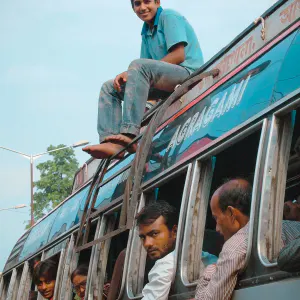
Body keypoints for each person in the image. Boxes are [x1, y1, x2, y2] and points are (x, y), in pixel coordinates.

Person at [83, 0, 204, 159]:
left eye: (147, 2)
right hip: (163, 81)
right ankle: (111, 142)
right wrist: (129, 74)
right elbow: (143, 71)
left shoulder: (168, 16)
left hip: (187, 74)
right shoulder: (146, 31)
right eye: (137, 4)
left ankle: (129, 133)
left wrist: (132, 71)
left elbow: (178, 55)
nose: (142, 8)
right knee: (109, 88)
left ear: (157, 2)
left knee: (136, 66)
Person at [194, 178, 300, 300]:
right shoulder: (294, 226)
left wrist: (210, 271)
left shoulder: (236, 244)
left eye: (216, 219)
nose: (217, 229)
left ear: (231, 213)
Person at [136, 201, 216, 300]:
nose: (147, 243)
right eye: (143, 237)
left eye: (154, 234)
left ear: (174, 232)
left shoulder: (165, 264)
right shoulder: (207, 257)